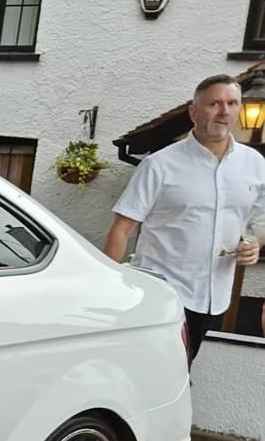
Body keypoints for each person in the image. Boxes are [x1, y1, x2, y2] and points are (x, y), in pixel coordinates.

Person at [103, 74, 264, 363]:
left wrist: (253, 242)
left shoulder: (255, 163)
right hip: (161, 294)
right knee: (153, 375)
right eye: (214, 103)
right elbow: (122, 230)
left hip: (215, 297)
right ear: (194, 112)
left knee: (178, 374)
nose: (224, 111)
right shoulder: (160, 165)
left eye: (232, 103)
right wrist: (107, 292)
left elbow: (259, 219)